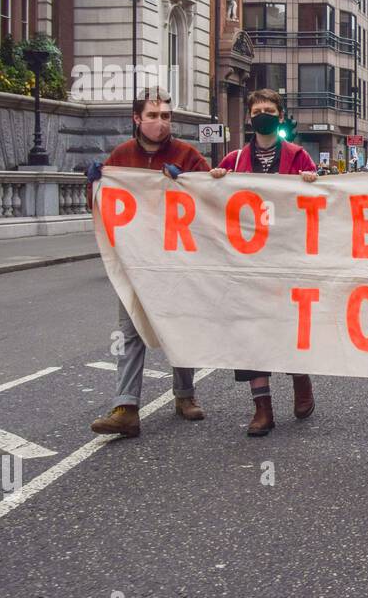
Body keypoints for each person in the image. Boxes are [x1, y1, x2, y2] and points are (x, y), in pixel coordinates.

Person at [89, 88, 208, 438]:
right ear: (137, 119)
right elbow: (102, 209)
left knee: (179, 326)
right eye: (153, 116)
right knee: (130, 332)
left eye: (166, 116)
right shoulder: (121, 157)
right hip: (137, 263)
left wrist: (190, 184)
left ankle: (185, 395)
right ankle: (126, 407)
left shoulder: (188, 155)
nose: (160, 122)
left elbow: (214, 201)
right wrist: (95, 184)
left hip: (178, 261)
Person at [210, 89, 320, 437]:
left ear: (280, 115)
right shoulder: (234, 161)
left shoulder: (299, 156)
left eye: (269, 109)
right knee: (251, 331)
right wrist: (210, 183)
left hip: (288, 258)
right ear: (249, 117)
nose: (263, 114)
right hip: (248, 262)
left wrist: (312, 183)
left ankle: (301, 380)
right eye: (257, 110)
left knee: (288, 327)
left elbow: (323, 203)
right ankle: (262, 408)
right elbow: (213, 200)